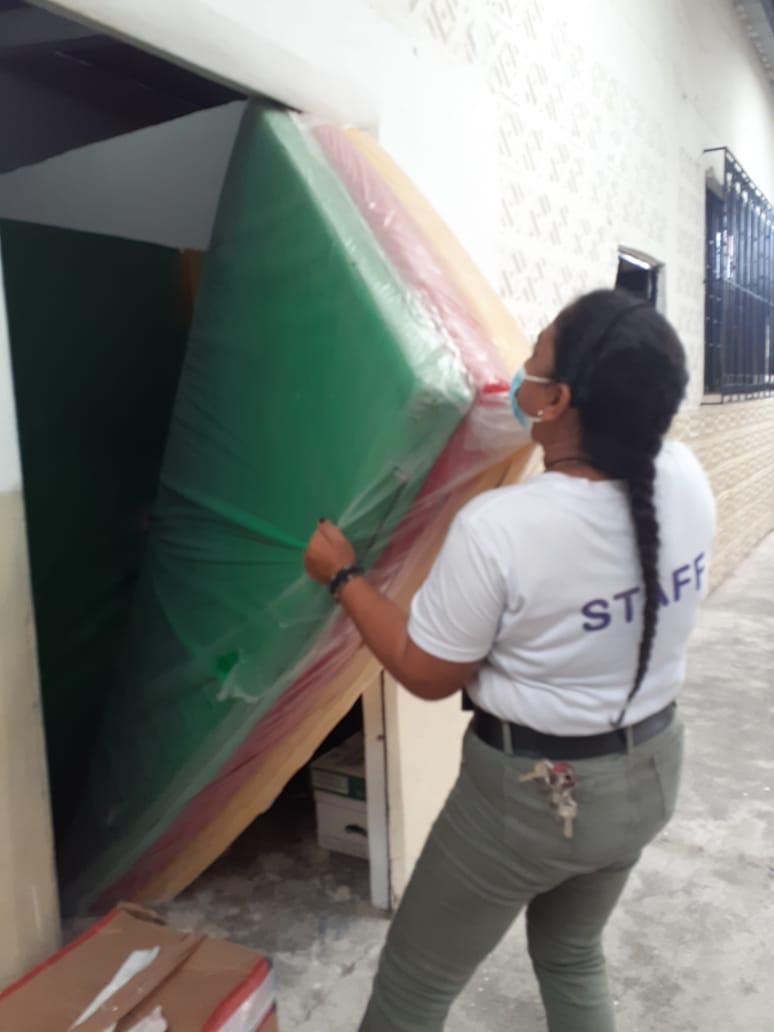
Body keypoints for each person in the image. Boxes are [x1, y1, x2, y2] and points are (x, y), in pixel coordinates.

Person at [304, 288, 716, 1032]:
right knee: (572, 953)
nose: (519, 370)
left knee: (413, 988)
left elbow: (427, 672)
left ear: (555, 401)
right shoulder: (685, 476)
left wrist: (345, 577)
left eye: (534, 357)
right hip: (650, 772)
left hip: (533, 799)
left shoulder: (502, 527)